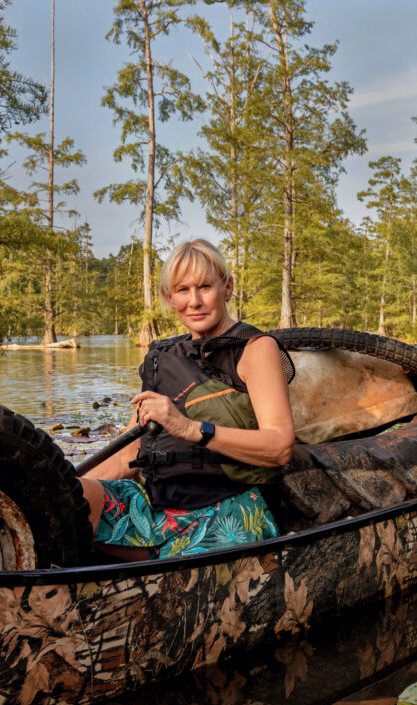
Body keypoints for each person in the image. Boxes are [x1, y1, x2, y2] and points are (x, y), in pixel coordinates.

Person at [79, 239, 295, 561]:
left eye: (205, 287)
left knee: (176, 570)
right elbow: (131, 448)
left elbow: (279, 447)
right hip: (157, 508)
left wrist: (191, 428)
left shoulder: (256, 349)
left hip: (229, 509)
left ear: (228, 287)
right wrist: (64, 486)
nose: (194, 301)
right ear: (170, 297)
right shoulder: (161, 358)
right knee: (71, 499)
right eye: (182, 290)